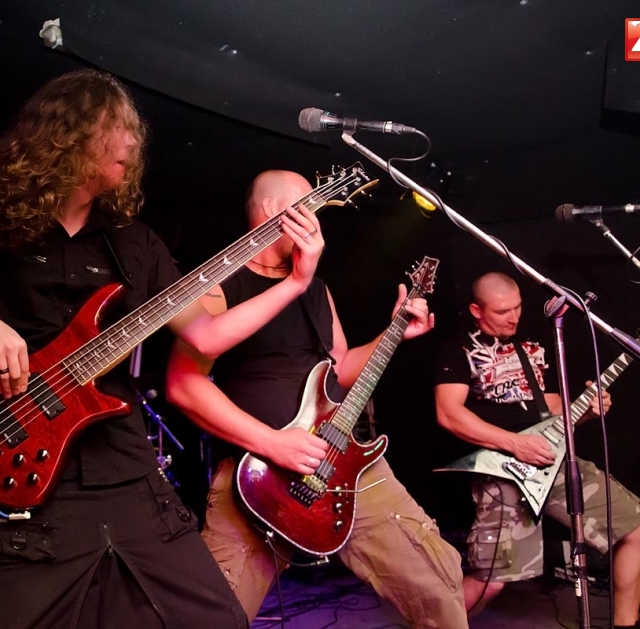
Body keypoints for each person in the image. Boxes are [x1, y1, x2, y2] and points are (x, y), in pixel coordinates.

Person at [0, 69, 328, 629]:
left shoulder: (135, 243)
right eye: (119, 127)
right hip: (16, 459)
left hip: (121, 467)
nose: (134, 142)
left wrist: (295, 283)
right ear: (71, 131)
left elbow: (207, 335)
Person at [164, 169, 469, 629]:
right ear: (273, 211)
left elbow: (339, 371)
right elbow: (183, 385)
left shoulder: (317, 288)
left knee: (438, 584)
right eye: (311, 205)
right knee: (213, 616)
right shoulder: (218, 285)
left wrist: (393, 333)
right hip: (258, 476)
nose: (318, 218)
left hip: (341, 463)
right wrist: (272, 443)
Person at [433, 271, 640, 629]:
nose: (514, 317)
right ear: (477, 310)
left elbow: (553, 413)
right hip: (503, 469)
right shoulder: (457, 348)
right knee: (492, 580)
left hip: (552, 462)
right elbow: (448, 414)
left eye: (518, 307)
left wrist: (587, 410)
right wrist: (514, 443)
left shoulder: (533, 346)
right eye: (502, 311)